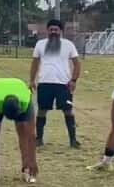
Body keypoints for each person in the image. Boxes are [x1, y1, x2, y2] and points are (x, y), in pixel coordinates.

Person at [30, 19, 82, 148]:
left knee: (68, 111)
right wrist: (32, 80)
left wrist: (74, 80)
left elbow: (77, 64)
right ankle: (39, 139)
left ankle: (73, 140)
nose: (54, 32)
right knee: (42, 111)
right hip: (44, 83)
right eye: (51, 29)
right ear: (47, 31)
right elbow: (35, 64)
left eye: (56, 30)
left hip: (63, 84)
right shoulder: (40, 44)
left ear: (61, 31)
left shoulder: (69, 45)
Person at [0, 78, 38, 183]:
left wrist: (33, 160)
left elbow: (31, 135)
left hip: (19, 86)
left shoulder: (26, 102)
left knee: (23, 132)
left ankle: (26, 168)